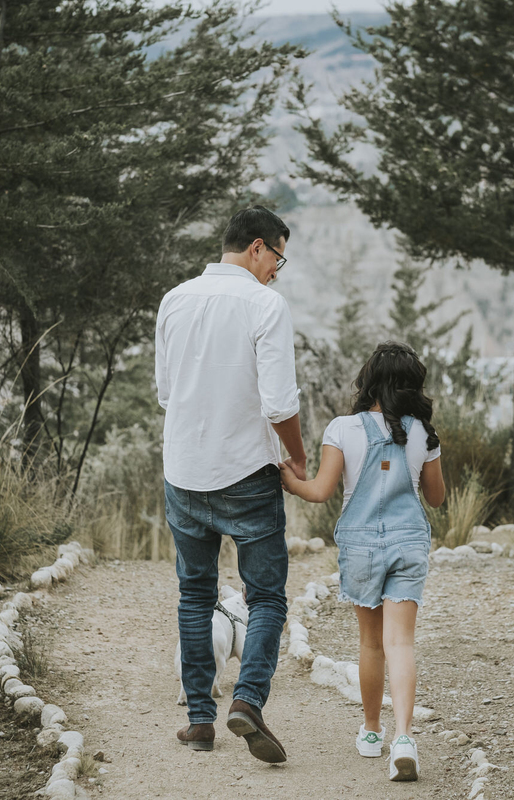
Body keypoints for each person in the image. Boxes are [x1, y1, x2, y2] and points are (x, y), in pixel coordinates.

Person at [155, 205, 306, 763]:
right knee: (265, 595)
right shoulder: (265, 305)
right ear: (258, 247)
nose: (276, 271)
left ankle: (199, 721)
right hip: (247, 473)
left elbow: (167, 392)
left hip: (185, 474)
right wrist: (297, 455)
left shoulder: (174, 299)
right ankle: (246, 700)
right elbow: (278, 402)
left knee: (194, 595)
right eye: (278, 258)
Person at [278, 341, 445, 782]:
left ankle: (372, 731)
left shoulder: (343, 428)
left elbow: (320, 491)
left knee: (371, 643)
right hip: (409, 542)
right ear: (411, 385)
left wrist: (289, 481)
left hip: (361, 546)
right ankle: (404, 738)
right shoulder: (424, 433)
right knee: (401, 643)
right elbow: (437, 497)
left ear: (369, 380)